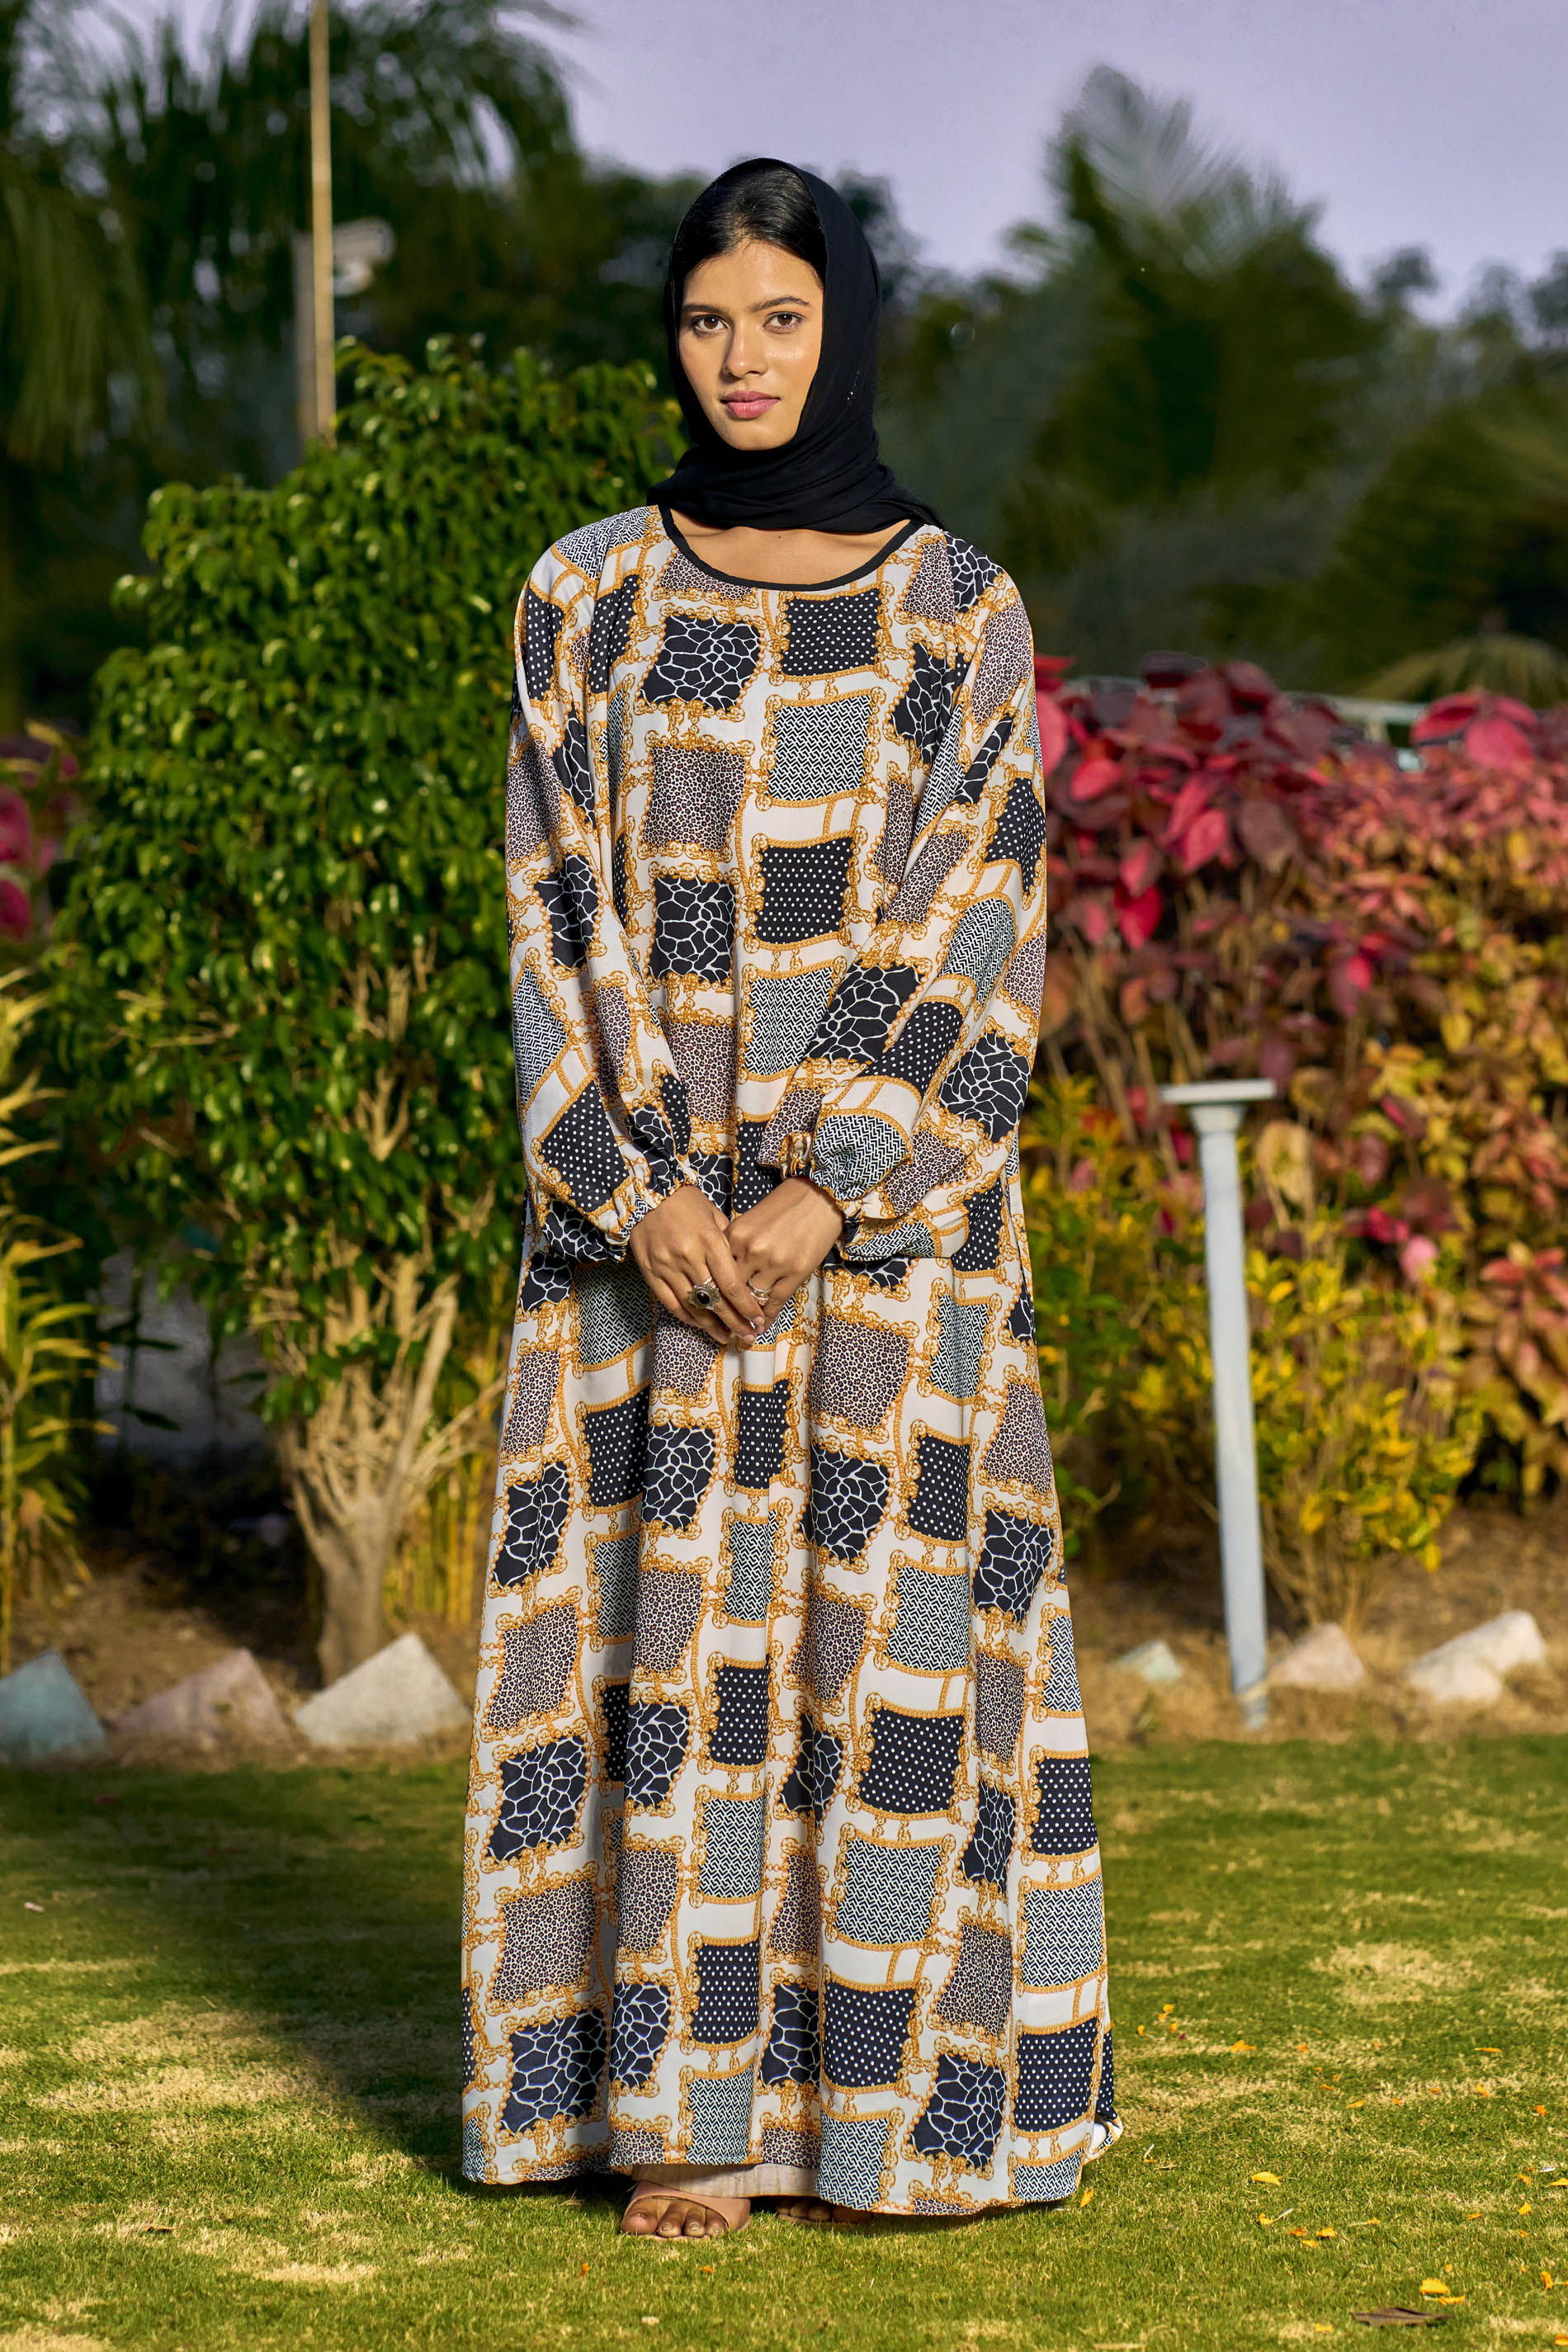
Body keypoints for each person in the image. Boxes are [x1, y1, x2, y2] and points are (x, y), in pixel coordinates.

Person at [460, 157, 1118, 2239]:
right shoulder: (583, 597)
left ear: (843, 331)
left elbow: (977, 919)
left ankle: (886, 2122)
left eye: (778, 319)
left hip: (887, 1256)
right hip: (643, 1256)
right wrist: (641, 1189)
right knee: (664, 1673)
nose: (738, 361)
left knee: (880, 1675)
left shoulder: (956, 610)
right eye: (703, 321)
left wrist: (827, 1188)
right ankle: (680, 2118)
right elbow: (550, 914)